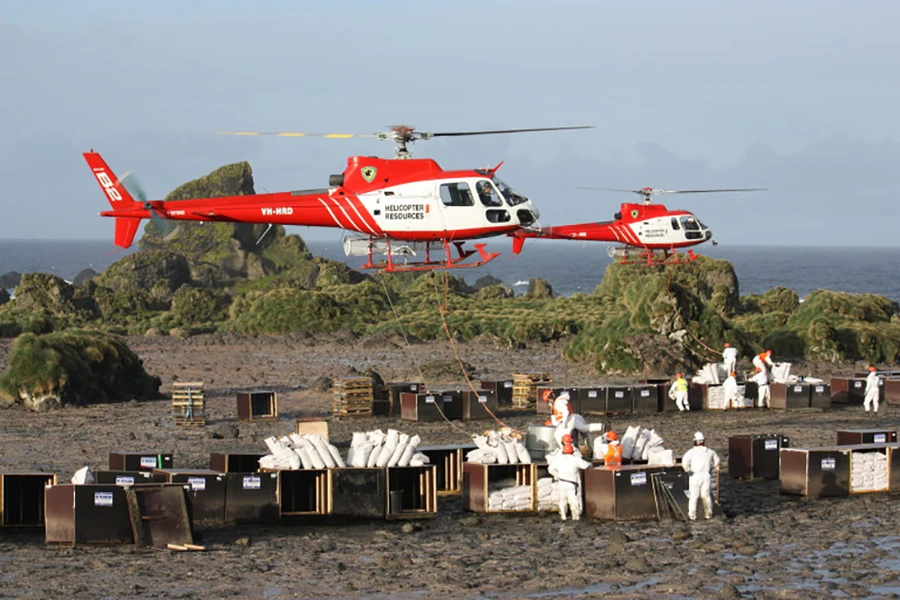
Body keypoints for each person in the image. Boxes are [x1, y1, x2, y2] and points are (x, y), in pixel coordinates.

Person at [547, 437, 592, 521]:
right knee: (573, 499)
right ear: (572, 451)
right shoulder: (575, 459)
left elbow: (550, 469)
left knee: (562, 499)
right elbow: (586, 465)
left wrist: (557, 475)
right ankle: (575, 516)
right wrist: (591, 465)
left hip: (561, 482)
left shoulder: (559, 459)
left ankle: (563, 515)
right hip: (572, 483)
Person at [681, 431, 721, 521]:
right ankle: (708, 514)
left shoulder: (691, 452)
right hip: (706, 475)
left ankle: (692, 516)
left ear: (695, 441)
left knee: (694, 496)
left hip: (695, 475)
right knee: (706, 495)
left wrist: (688, 470)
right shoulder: (710, 452)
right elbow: (717, 461)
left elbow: (684, 462)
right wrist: (711, 468)